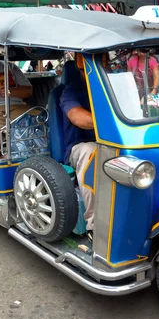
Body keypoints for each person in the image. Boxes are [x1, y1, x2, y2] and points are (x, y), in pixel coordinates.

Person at [59, 60, 97, 238]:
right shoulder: (70, 91)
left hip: (115, 143)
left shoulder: (113, 87)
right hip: (79, 147)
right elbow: (77, 117)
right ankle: (94, 225)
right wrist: (111, 122)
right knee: (92, 151)